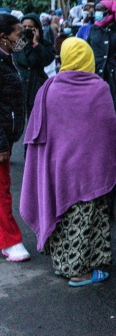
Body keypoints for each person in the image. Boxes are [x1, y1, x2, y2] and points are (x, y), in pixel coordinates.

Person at [20, 38, 116, 286]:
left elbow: (37, 136)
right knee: (86, 218)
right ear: (89, 59)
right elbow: (110, 129)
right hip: (91, 169)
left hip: (57, 168)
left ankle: (64, 263)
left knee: (61, 213)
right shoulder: (98, 87)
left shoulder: (48, 88)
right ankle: (78, 271)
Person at [0, 14, 31, 262]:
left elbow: (24, 51)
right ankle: (10, 241)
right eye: (18, 34)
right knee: (2, 191)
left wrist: (29, 38)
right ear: (3, 38)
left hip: (7, 136)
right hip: (0, 139)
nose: (22, 38)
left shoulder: (9, 57)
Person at [87, 0, 116, 125]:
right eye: (96, 10)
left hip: (114, 78)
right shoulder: (94, 29)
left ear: (110, 12)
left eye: (101, 10)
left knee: (115, 111)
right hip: (96, 76)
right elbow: (88, 48)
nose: (97, 13)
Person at [15, 14, 56, 120]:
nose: (27, 29)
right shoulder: (19, 43)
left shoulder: (45, 44)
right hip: (20, 87)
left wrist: (36, 44)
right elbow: (13, 57)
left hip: (37, 85)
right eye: (24, 27)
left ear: (37, 28)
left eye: (30, 26)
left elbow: (47, 60)